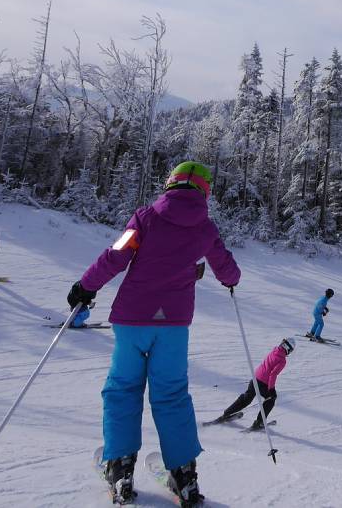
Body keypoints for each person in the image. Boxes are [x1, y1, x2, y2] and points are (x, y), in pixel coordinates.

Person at [68, 161, 240, 507]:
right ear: (205, 191)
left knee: (123, 389)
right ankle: (184, 474)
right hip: (173, 326)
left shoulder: (145, 218)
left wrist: (85, 286)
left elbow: (116, 255)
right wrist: (231, 279)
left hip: (133, 321)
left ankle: (120, 466)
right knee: (172, 394)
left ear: (170, 184)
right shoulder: (205, 228)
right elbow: (226, 265)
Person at [217, 338, 294, 431]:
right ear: (289, 350)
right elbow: (273, 374)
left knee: (247, 398)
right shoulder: (282, 360)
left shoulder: (274, 350)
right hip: (263, 383)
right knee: (270, 400)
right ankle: (259, 422)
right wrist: (271, 389)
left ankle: (227, 413)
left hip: (255, 378)